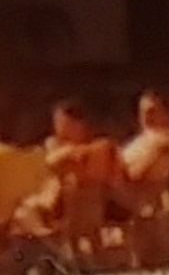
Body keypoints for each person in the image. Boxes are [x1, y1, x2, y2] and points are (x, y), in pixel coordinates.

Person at [7, 98, 122, 238]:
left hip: (88, 204)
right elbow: (51, 163)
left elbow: (111, 177)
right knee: (22, 210)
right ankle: (44, 232)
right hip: (53, 202)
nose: (58, 127)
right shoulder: (53, 143)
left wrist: (77, 157)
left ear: (79, 124)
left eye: (62, 122)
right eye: (56, 122)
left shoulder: (101, 146)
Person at [109, 89, 169, 217]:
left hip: (145, 209)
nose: (146, 117)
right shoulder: (142, 140)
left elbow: (135, 174)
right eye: (142, 112)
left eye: (151, 112)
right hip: (126, 204)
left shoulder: (163, 141)